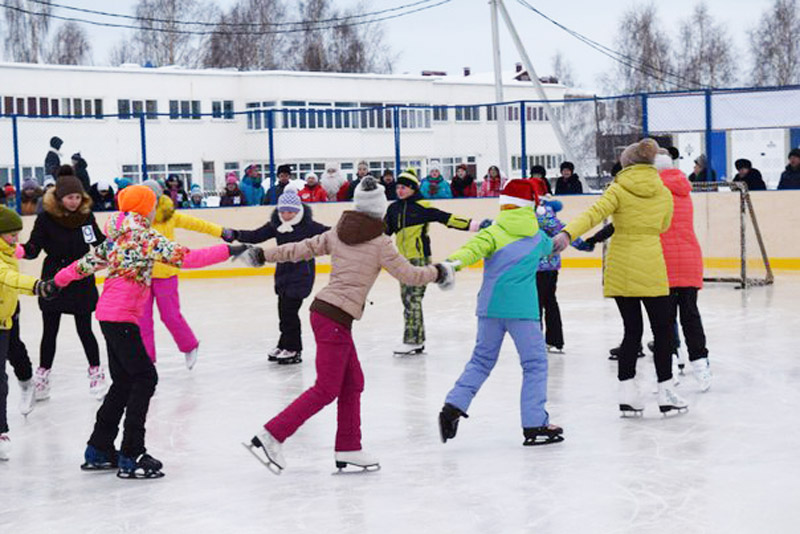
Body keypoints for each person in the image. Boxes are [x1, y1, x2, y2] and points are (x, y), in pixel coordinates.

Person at [244, 177, 452, 473]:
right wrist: (439, 272)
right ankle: (271, 435)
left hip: (326, 313)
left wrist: (263, 254)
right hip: (334, 319)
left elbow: (298, 249)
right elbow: (410, 275)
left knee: (353, 383)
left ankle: (349, 446)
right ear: (381, 210)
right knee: (326, 389)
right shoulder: (382, 243)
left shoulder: (337, 233)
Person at [53, 185, 253, 478]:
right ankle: (132, 454)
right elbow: (187, 258)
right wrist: (229, 250)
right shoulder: (144, 236)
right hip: (121, 317)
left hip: (109, 315)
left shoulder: (116, 236)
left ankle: (98, 449)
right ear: (145, 207)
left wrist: (55, 281)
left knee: (123, 382)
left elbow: (84, 265)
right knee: (145, 378)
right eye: (151, 204)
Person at [552, 138, 687, 416]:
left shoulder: (618, 188)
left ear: (626, 164)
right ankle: (665, 393)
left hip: (621, 265)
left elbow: (594, 214)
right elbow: (663, 225)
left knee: (631, 331)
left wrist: (568, 233)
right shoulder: (662, 192)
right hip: (651, 264)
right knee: (662, 332)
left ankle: (627, 394)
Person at [438, 179, 563, 447]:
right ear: (531, 205)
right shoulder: (537, 236)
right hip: (523, 311)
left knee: (481, 361)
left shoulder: (493, 232)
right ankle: (534, 424)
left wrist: (451, 265)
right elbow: (551, 247)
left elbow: (470, 251)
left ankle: (453, 406)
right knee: (534, 364)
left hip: (490, 307)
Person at [18, 166, 108, 401]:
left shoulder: (85, 216)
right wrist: (20, 250)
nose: (74, 202)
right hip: (54, 278)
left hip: (80, 276)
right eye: (70, 197)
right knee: (50, 331)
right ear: (59, 198)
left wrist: (114, 250)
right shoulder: (46, 218)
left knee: (85, 329)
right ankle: (43, 376)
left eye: (78, 197)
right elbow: (34, 247)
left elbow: (98, 242)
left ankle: (96, 372)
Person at [222, 190, 329, 365]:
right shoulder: (276, 224)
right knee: (283, 311)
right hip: (283, 274)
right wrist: (234, 234)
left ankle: (294, 349)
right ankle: (284, 344)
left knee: (289, 312)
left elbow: (329, 234)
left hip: (302, 274)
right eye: (283, 211)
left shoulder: (309, 226)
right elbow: (256, 235)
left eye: (290, 212)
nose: (286, 215)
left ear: (298, 210)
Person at [384, 169, 484, 355]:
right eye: (398, 187)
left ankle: (413, 340)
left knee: (412, 298)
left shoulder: (423, 206)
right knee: (409, 300)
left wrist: (477, 225)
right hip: (402, 261)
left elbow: (448, 219)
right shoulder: (393, 209)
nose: (399, 191)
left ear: (413, 188)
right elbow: (384, 233)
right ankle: (416, 339)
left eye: (404, 187)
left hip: (419, 259)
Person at [140, 180, 223, 368]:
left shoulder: (169, 215)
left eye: (153, 197)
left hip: (166, 274)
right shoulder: (136, 218)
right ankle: (146, 361)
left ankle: (189, 345)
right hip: (141, 275)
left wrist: (221, 232)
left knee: (170, 315)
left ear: (159, 197)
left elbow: (196, 224)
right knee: (142, 319)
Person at [0, 206, 59, 461]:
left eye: (17, 234)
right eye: (11, 235)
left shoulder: (9, 252)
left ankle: (26, 383)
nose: (16, 240)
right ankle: (1, 430)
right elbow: (5, 276)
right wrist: (36, 285)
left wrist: (34, 289)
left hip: (7, 313)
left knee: (16, 353)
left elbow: (11, 280)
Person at [654, 149, 712, 392]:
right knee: (690, 315)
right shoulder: (683, 189)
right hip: (689, 259)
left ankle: (668, 371)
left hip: (663, 262)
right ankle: (701, 366)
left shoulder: (654, 191)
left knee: (664, 321)